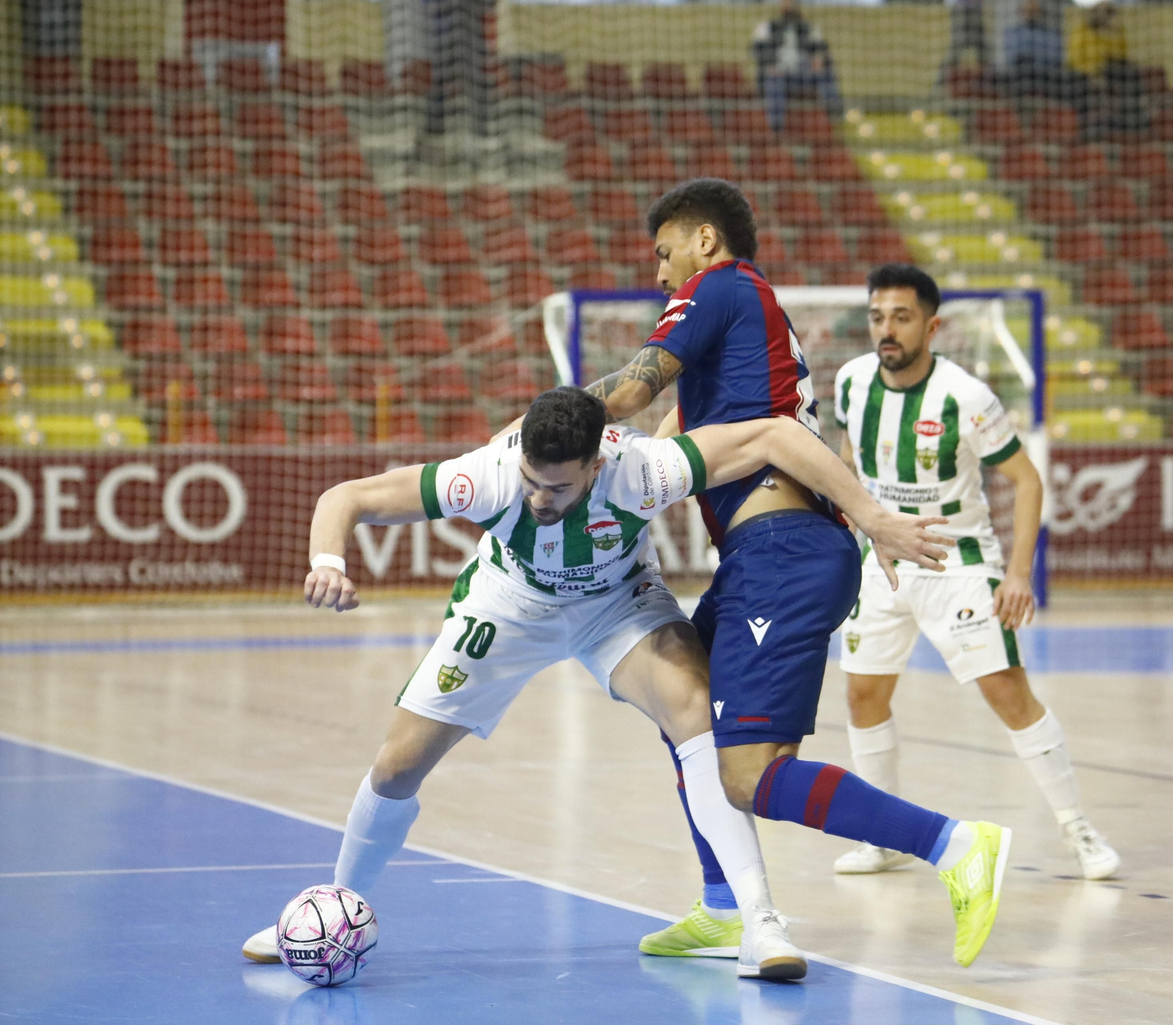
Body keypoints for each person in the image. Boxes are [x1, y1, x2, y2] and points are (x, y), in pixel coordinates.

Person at [239, 386, 965, 977]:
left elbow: (773, 435)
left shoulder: (643, 468)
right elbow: (348, 497)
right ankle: (337, 906)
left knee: (694, 713)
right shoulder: (488, 475)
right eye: (530, 480)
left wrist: (869, 516)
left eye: (556, 487)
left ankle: (760, 924)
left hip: (614, 607)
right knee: (397, 766)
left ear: (593, 466)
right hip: (509, 604)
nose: (538, 498)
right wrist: (328, 562)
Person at [583, 178, 1015, 969]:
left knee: (749, 774)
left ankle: (955, 845)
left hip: (780, 553)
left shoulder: (716, 289)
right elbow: (665, 437)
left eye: (664, 251)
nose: (660, 273)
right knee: (680, 704)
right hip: (765, 553)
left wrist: (528, 436)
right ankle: (722, 906)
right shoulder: (744, 333)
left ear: (705, 240)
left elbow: (636, 389)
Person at [829, 265, 1120, 880]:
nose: (887, 329)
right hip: (882, 564)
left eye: (901, 317)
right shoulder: (852, 382)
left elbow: (1026, 480)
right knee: (862, 696)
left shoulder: (966, 395)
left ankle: (1078, 830)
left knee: (1005, 691)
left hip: (958, 565)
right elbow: (849, 462)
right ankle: (879, 838)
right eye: (878, 317)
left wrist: (1018, 575)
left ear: (931, 326)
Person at [419, 0, 493, 137]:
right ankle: (434, 129)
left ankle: (481, 130)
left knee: (477, 82)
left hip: (471, 35)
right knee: (440, 80)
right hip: (443, 33)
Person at [751, 0, 843, 133]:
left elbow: (821, 51)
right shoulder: (767, 27)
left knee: (825, 73)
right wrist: (771, 64)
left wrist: (818, 60)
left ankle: (835, 114)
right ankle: (776, 127)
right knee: (774, 80)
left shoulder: (809, 28)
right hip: (778, 73)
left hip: (802, 74)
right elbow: (757, 50)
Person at [1002, 0, 1069, 99]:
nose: (1030, 14)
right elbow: (1011, 57)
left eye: (1034, 11)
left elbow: (1055, 56)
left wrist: (1033, 57)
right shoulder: (1012, 32)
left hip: (1045, 75)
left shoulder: (1052, 33)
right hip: (1019, 74)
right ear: (1021, 12)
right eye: (1027, 11)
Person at [942, 0, 995, 73]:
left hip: (976, 7)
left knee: (981, 45)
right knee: (958, 43)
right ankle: (942, 81)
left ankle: (988, 79)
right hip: (959, 6)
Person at [1066, 1, 1129, 86]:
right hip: (1084, 74)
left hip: (1109, 73)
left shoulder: (1117, 34)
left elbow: (1122, 56)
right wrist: (1093, 73)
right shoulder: (1081, 31)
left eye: (1109, 13)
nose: (1105, 16)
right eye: (1102, 12)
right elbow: (1074, 59)